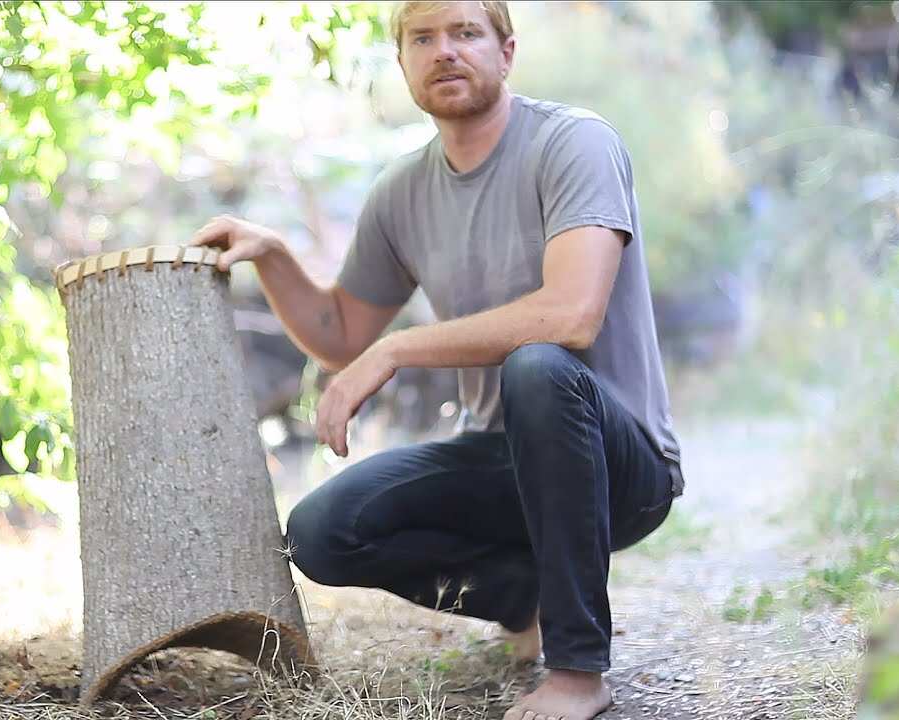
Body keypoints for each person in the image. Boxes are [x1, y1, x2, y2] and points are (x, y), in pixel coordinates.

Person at [191, 2, 682, 719]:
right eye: (423, 38)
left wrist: (397, 349)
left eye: (465, 33)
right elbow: (339, 333)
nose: (444, 51)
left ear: (506, 51)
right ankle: (521, 592)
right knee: (324, 531)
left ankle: (579, 669)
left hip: (619, 469)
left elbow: (571, 315)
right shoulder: (402, 192)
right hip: (502, 462)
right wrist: (273, 254)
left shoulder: (575, 144)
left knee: (538, 366)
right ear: (403, 64)